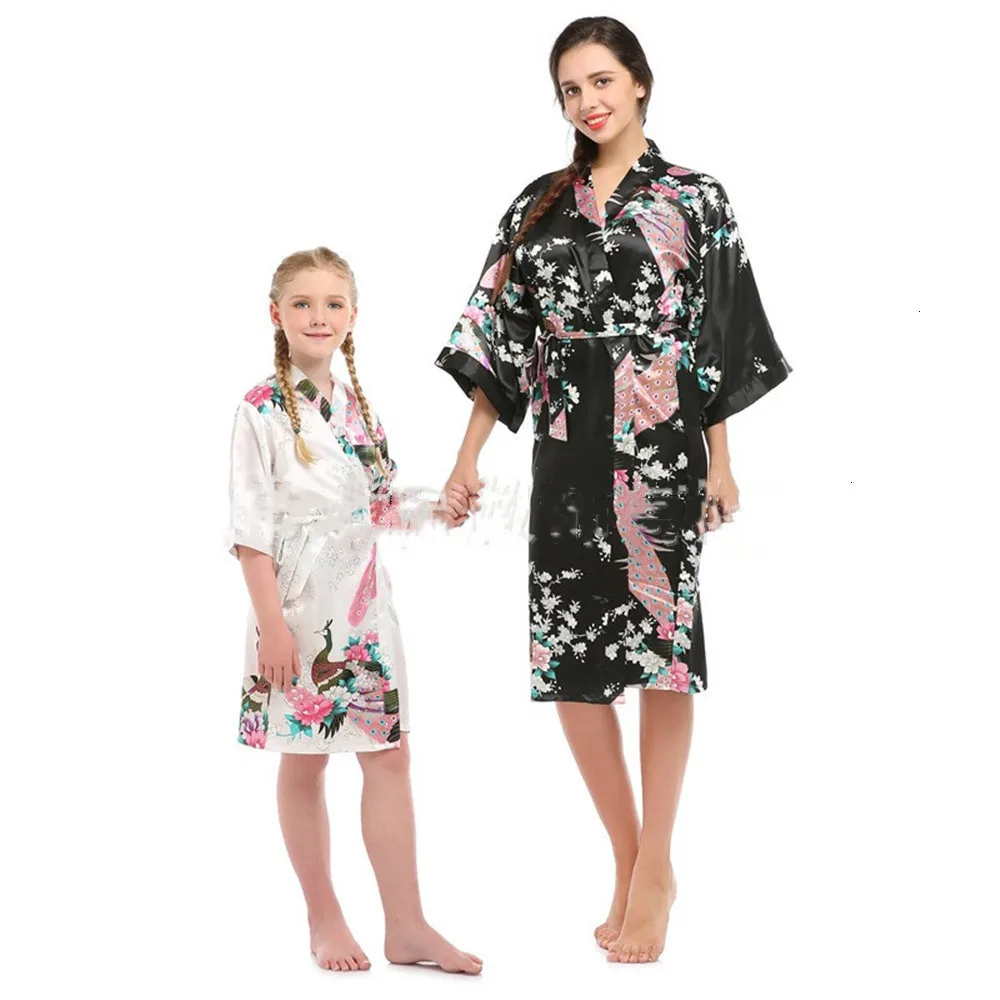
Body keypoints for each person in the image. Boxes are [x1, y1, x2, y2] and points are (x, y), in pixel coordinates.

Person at [435, 17, 791, 965]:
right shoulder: (539, 204)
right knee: (570, 661)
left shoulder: (695, 197)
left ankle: (657, 865)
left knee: (662, 652)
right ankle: (633, 860)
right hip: (564, 449)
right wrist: (469, 457)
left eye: (600, 80)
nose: (586, 101)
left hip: (661, 445)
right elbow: (501, 335)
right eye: (569, 89)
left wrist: (721, 459)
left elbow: (718, 335)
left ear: (638, 82)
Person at [227, 247, 480, 974]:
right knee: (304, 760)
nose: (319, 316)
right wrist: (272, 628)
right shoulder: (259, 410)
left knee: (390, 756)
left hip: (365, 613)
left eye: (333, 304)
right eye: (303, 303)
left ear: (353, 317)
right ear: (276, 314)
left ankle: (407, 925)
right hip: (295, 615)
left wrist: (441, 508)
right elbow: (249, 532)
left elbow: (380, 509)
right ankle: (324, 917)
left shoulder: (358, 409)